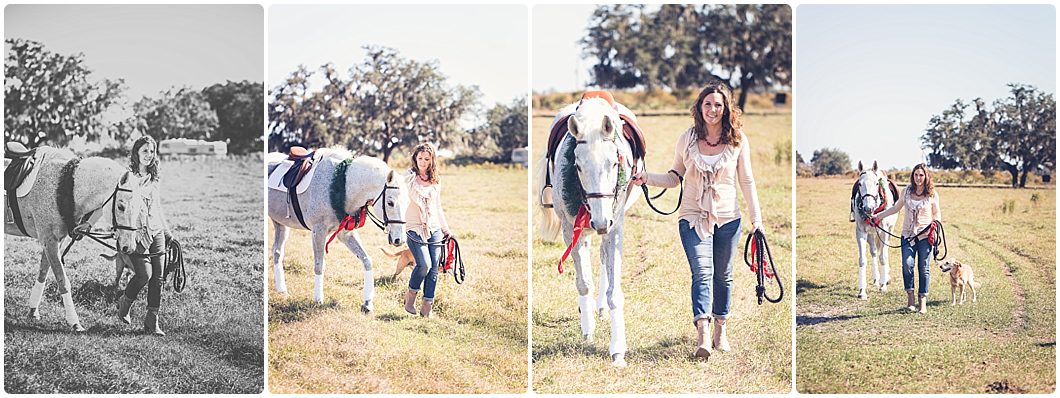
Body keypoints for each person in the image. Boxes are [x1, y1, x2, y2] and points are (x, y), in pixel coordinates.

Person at [633, 80, 763, 360]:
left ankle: (720, 328)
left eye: (718, 105)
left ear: (726, 108)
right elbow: (673, 176)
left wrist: (757, 220)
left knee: (723, 276)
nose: (712, 110)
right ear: (699, 107)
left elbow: (747, 181)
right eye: (708, 104)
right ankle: (702, 334)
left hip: (729, 219)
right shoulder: (688, 139)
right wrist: (647, 178)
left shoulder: (738, 140)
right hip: (692, 218)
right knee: (702, 273)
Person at [116, 135, 170, 335]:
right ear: (136, 153)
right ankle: (125, 301)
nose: (149, 155)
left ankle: (151, 322)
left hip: (156, 230)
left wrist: (167, 230)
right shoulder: (128, 178)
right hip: (135, 232)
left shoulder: (155, 177)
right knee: (144, 275)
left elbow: (157, 206)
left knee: (158, 278)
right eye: (145, 151)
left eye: (152, 151)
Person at [871, 163, 942, 314]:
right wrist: (877, 216)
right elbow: (896, 208)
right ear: (913, 176)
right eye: (916, 175)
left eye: (921, 175)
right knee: (907, 264)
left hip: (925, 236)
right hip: (907, 235)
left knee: (924, 268)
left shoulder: (932, 194)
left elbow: (937, 214)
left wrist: (935, 226)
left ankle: (922, 301)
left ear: (926, 176)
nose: (918, 178)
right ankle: (910, 298)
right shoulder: (906, 192)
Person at [403, 143, 451, 318]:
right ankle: (410, 297)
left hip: (434, 227)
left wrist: (446, 230)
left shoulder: (436, 180)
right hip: (414, 227)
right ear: (415, 158)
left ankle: (427, 308)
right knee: (424, 264)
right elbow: (398, 200)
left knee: (433, 269)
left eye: (427, 159)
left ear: (432, 161)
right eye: (420, 158)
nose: (423, 162)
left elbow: (438, 208)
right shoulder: (407, 178)